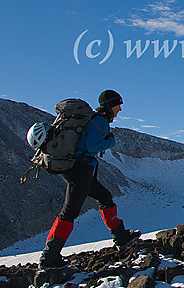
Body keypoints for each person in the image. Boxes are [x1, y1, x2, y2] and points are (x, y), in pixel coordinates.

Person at [39, 89, 140, 268]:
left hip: (79, 170)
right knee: (69, 212)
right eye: (118, 105)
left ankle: (121, 237)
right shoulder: (100, 120)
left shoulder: (94, 119)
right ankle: (49, 257)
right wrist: (111, 141)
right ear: (110, 105)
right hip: (81, 171)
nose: (120, 109)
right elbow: (93, 145)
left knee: (105, 198)